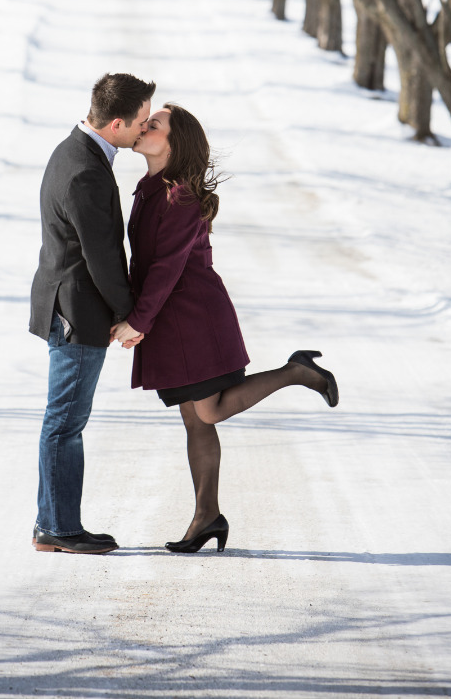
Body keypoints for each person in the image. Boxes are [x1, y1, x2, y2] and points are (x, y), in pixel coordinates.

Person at [112, 104, 338, 554]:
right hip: (172, 319)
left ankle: (296, 371)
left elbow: (167, 268)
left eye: (154, 124)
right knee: (194, 418)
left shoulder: (180, 196)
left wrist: (138, 320)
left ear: (176, 142)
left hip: (194, 317)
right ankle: (206, 516)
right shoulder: (150, 188)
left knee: (208, 412)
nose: (144, 126)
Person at [30, 72, 155, 555]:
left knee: (61, 421)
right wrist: (131, 315)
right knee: (64, 422)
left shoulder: (77, 151)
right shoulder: (84, 169)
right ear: (118, 123)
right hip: (75, 311)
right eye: (142, 122)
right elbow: (102, 255)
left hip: (69, 304)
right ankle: (58, 528)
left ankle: (52, 523)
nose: (145, 129)